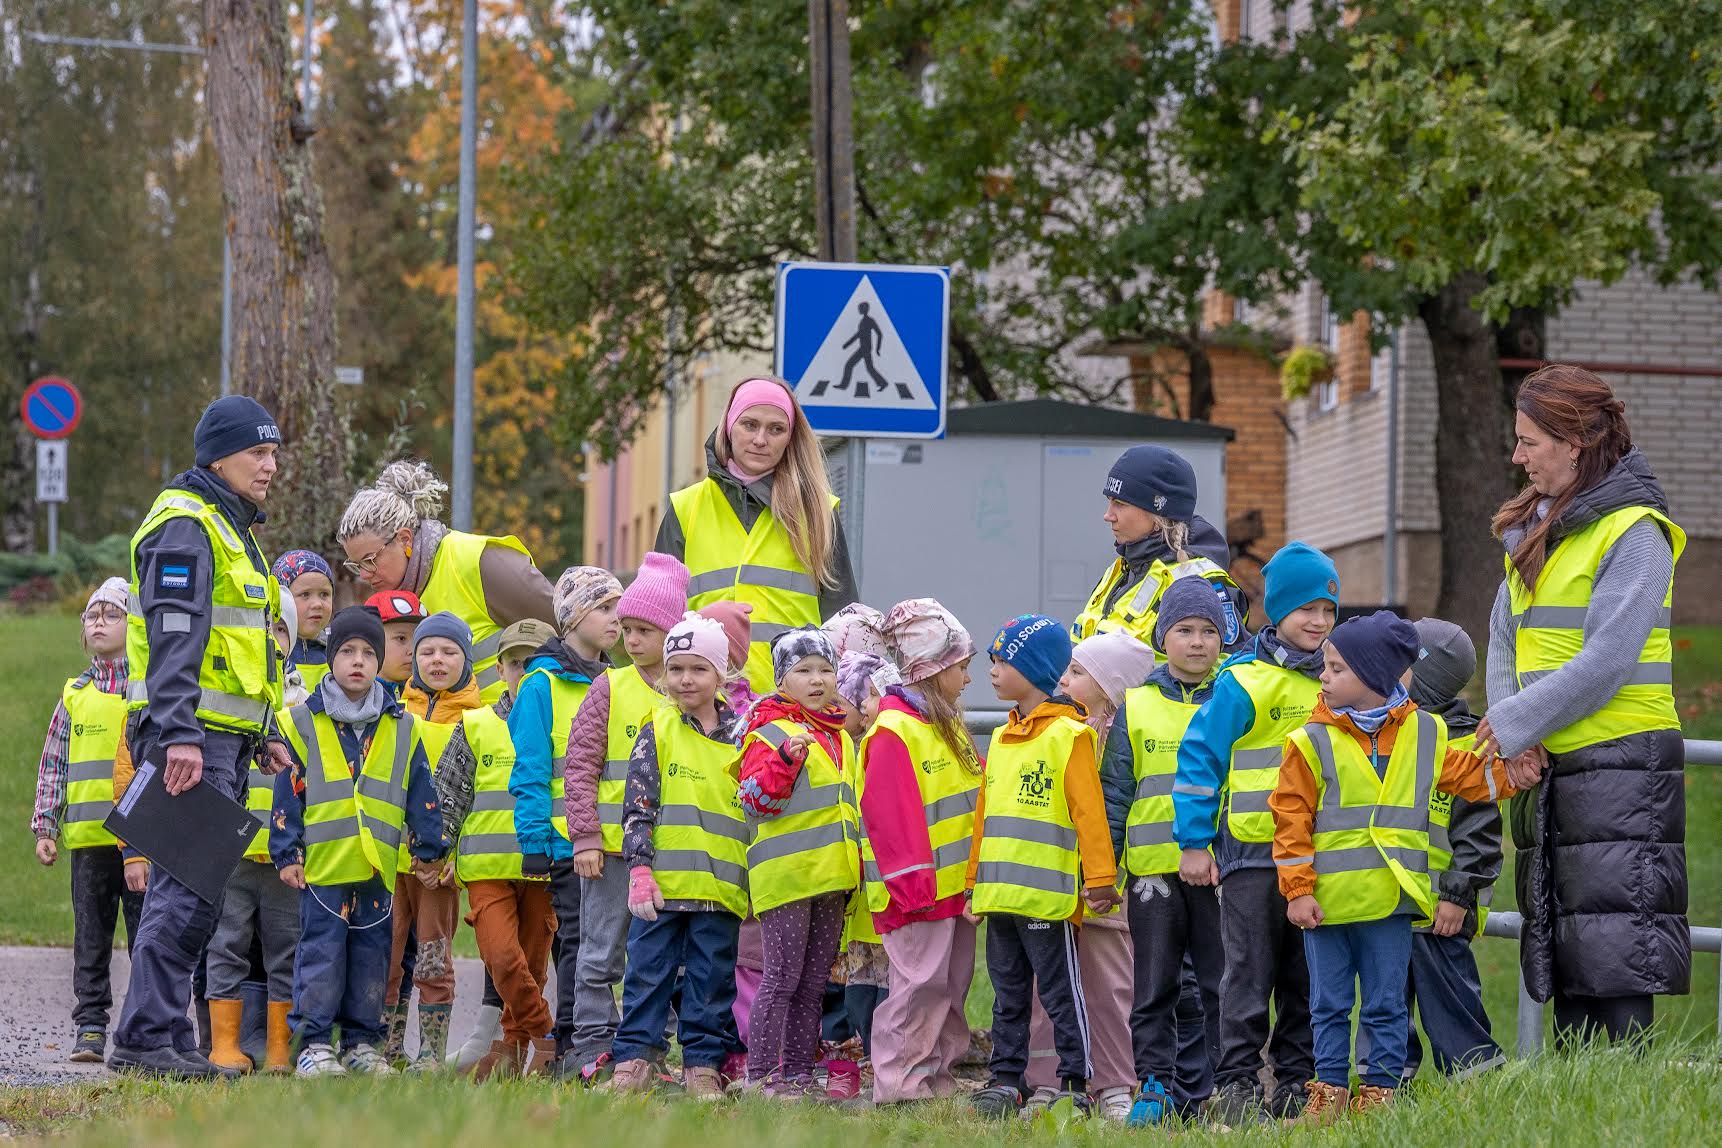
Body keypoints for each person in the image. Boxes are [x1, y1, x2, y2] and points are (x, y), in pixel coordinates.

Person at [1481, 365, 1687, 1047]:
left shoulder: (1635, 533)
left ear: (1575, 442)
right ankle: (1573, 1110)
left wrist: (1512, 724)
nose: (1518, 457)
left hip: (1623, 766)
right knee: (1564, 954)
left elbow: (1606, 662)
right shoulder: (1537, 530)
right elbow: (1504, 640)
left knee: (1619, 962)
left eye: (1529, 441)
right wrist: (1520, 732)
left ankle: (1626, 1108)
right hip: (1554, 762)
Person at [1270, 612, 1531, 1121]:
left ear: (1374, 675)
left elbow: (1470, 779)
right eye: (1325, 666)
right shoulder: (1308, 741)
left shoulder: (1427, 733)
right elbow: (1290, 820)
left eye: (1337, 668)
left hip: (1392, 902)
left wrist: (1513, 774)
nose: (1323, 676)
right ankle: (1327, 1093)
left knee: (1386, 1006)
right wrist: (1297, 890)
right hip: (1327, 905)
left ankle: (1379, 1094)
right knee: (1327, 1006)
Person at [111, 395, 291, 1079]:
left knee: (194, 891)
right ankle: (147, 1037)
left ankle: (161, 1035)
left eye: (274, 454)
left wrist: (264, 729)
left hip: (221, 737)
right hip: (191, 737)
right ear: (219, 455)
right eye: (259, 453)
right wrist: (182, 732)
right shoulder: (187, 527)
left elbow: (239, 650)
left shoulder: (225, 524)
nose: (270, 466)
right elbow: (176, 637)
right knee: (187, 890)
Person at [1172, 541, 1339, 1125]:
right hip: (1250, 855)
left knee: (1306, 976)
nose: (1318, 622)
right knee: (1246, 974)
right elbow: (1199, 759)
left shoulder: (1340, 684)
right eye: (1306, 610)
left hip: (1319, 858)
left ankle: (1296, 1081)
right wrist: (1194, 840)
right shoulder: (1244, 682)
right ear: (1277, 610)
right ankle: (1238, 1082)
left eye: (1328, 611)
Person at [271, 606, 449, 1076]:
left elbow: (421, 791)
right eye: (347, 651)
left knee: (373, 960)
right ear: (331, 658)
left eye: (369, 653)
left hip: (377, 869)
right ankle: (313, 1043)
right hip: (324, 869)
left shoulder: (400, 725)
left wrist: (430, 848)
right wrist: (286, 850)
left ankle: (361, 1043)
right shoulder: (302, 723)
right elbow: (287, 791)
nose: (358, 661)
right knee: (320, 956)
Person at [966, 615, 1120, 1120]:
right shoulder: (1007, 735)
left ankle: (1075, 1079)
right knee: (1007, 996)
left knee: (1060, 993)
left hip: (1047, 901)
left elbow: (1089, 813)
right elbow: (984, 818)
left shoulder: (1068, 735)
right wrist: (973, 884)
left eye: (1002, 660)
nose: (992, 670)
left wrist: (1099, 879)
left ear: (1033, 669)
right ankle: (1006, 1080)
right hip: (1001, 897)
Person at [604, 613, 749, 1099]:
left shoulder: (743, 734)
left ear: (720, 675)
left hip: (720, 888)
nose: (686, 679)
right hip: (662, 889)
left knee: (711, 982)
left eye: (698, 669)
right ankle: (634, 1062)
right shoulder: (657, 727)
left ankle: (702, 1067)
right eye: (677, 669)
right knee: (647, 975)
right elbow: (638, 803)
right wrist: (639, 867)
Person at [559, 552, 689, 1082]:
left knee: (658, 957)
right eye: (626, 628)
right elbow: (581, 767)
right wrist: (585, 836)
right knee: (599, 949)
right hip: (611, 851)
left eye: (644, 630)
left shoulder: (692, 689)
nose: (631, 639)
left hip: (671, 852)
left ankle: (645, 1049)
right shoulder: (609, 688)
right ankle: (591, 1043)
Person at [1018, 628, 1156, 1122]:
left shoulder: (1123, 739)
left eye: (1077, 672)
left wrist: (1107, 872)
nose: (1063, 679)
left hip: (1107, 886)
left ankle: (1115, 1082)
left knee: (1111, 984)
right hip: (1052, 880)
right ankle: (1047, 1081)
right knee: (1047, 984)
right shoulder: (1056, 730)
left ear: (1110, 684)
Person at [1105, 577, 1228, 1125]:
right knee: (1154, 984)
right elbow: (1116, 791)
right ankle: (1153, 1083)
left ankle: (1214, 1087)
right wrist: (1104, 867)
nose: (1197, 642)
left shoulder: (1236, 699)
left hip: (1218, 873)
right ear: (1162, 638)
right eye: (1184, 630)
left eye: (1209, 631)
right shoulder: (1135, 705)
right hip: (1152, 874)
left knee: (1216, 983)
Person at [1362, 618, 1506, 1080]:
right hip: (1392, 904)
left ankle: (1475, 1076)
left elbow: (1480, 836)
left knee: (1450, 1001)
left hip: (1441, 910)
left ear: (1421, 677)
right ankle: (1386, 1082)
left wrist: (1457, 897)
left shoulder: (1465, 746)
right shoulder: (1391, 735)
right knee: (1386, 1000)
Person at [656, 377, 859, 693]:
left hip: (794, 708)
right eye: (749, 425)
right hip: (704, 704)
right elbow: (658, 621)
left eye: (776, 429)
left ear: (790, 439)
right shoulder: (686, 508)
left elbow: (843, 622)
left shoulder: (818, 512)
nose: (761, 439)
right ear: (728, 427)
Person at [861, 598, 982, 1105]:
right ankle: (901, 1083)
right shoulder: (894, 730)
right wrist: (912, 888)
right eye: (962, 668)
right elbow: (892, 819)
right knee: (918, 987)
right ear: (933, 669)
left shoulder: (945, 723)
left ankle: (938, 1075)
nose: (969, 680)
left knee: (950, 986)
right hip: (915, 893)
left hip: (951, 891)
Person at [433, 618, 561, 1079]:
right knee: (503, 959)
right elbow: (449, 792)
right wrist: (437, 848)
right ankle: (548, 1037)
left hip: (543, 867)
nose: (523, 672)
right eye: (514, 663)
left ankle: (510, 1051)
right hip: (487, 869)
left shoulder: (560, 721)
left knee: (531, 964)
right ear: (499, 669)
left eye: (534, 664)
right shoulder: (477, 725)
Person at [737, 627, 860, 1099]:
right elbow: (754, 803)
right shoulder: (767, 731)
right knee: (781, 980)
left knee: (812, 985)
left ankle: (798, 1075)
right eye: (803, 670)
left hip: (832, 878)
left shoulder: (842, 738)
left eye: (825, 669)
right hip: (788, 879)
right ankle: (762, 1076)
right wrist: (784, 762)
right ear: (781, 680)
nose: (816, 680)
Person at [510, 566, 621, 1065]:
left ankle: (601, 1036)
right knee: (578, 943)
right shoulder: (540, 686)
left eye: (618, 606)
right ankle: (574, 1043)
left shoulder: (618, 682)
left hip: (613, 841)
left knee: (606, 945)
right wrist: (534, 840)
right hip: (562, 843)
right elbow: (530, 768)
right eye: (604, 608)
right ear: (572, 617)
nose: (616, 619)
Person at [31, 579, 143, 1065]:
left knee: (147, 938)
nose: (98, 621)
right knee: (91, 939)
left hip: (143, 845)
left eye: (111, 614)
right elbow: (53, 762)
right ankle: (91, 1026)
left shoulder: (147, 691)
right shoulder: (74, 696)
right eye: (91, 616)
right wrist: (45, 826)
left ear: (133, 625)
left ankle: (143, 1025)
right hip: (89, 844)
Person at [338, 460, 556, 702]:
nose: (364, 575)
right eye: (357, 565)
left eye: (370, 560)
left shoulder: (478, 561)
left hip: (510, 730)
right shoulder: (395, 597)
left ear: (404, 540)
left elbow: (568, 630)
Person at [201, 593, 308, 1076]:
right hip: (235, 854)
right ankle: (224, 1044)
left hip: (287, 860)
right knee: (227, 944)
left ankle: (280, 1048)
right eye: (263, 629)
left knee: (288, 949)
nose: (272, 639)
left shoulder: (307, 704)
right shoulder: (235, 701)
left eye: (280, 630)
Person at [383, 611, 485, 1069]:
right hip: (391, 861)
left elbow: (477, 796)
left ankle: (430, 1051)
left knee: (432, 955)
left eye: (449, 651)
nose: (437, 660)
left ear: (466, 659)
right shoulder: (392, 712)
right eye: (427, 651)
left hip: (438, 866)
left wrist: (454, 856)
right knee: (385, 955)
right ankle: (384, 1047)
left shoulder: (477, 719)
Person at [1072, 445, 1244, 650]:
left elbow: (1222, 670)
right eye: (1109, 501)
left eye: (1120, 503)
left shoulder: (1199, 582)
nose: (1108, 515)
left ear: (1158, 516)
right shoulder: (1121, 570)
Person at [831, 648, 897, 1075]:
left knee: (888, 976)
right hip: (856, 887)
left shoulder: (882, 746)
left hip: (882, 884)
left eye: (843, 705)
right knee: (860, 976)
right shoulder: (839, 745)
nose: (835, 712)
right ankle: (868, 1051)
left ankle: (884, 1055)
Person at [272, 550, 335, 688]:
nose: (317, 604)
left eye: (324, 594)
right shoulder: (271, 651)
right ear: (281, 600)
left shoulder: (338, 651)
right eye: (305, 594)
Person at [367, 588, 427, 699]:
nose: (413, 651)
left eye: (418, 639)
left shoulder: (433, 696)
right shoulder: (353, 699)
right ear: (369, 640)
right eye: (401, 638)